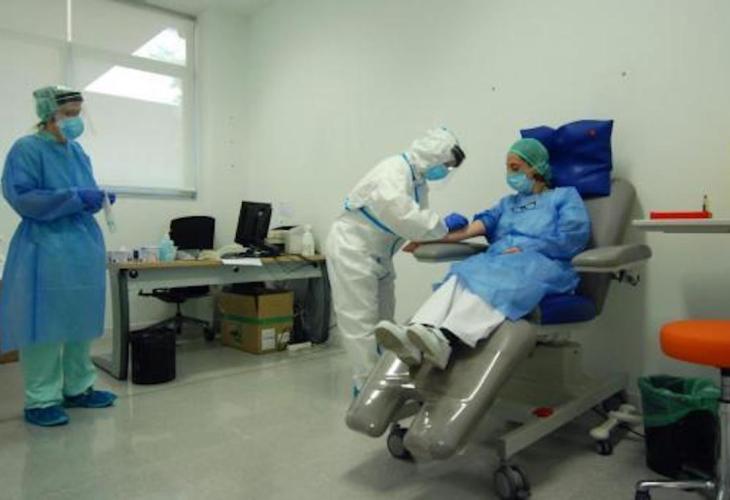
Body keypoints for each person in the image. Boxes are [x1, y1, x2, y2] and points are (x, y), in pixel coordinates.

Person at [375, 138, 591, 369]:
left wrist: (530, 248)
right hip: (501, 261)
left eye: (515, 168)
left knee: (495, 278)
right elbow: (470, 230)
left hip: (543, 264)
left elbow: (573, 238)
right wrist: (425, 238)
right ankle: (418, 332)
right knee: (464, 272)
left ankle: (446, 339)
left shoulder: (564, 197)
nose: (510, 174)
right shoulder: (507, 204)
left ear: (536, 168)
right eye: (508, 168)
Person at [0, 85, 117, 427]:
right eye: (69, 114)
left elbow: (83, 194)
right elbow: (22, 197)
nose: (75, 121)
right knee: (45, 325)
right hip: (45, 247)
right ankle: (41, 399)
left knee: (80, 321)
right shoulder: (27, 149)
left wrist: (96, 199)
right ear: (48, 113)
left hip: (81, 248)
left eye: (78, 114)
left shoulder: (78, 152)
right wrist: (74, 196)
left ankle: (79, 387)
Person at [326, 128, 467, 394]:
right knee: (360, 323)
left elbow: (415, 223)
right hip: (352, 248)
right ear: (433, 155)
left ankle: (383, 380)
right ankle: (366, 387)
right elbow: (402, 215)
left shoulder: (418, 182)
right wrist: (443, 226)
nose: (446, 170)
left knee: (384, 324)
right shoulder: (394, 170)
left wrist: (433, 232)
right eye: (446, 164)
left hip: (378, 253)